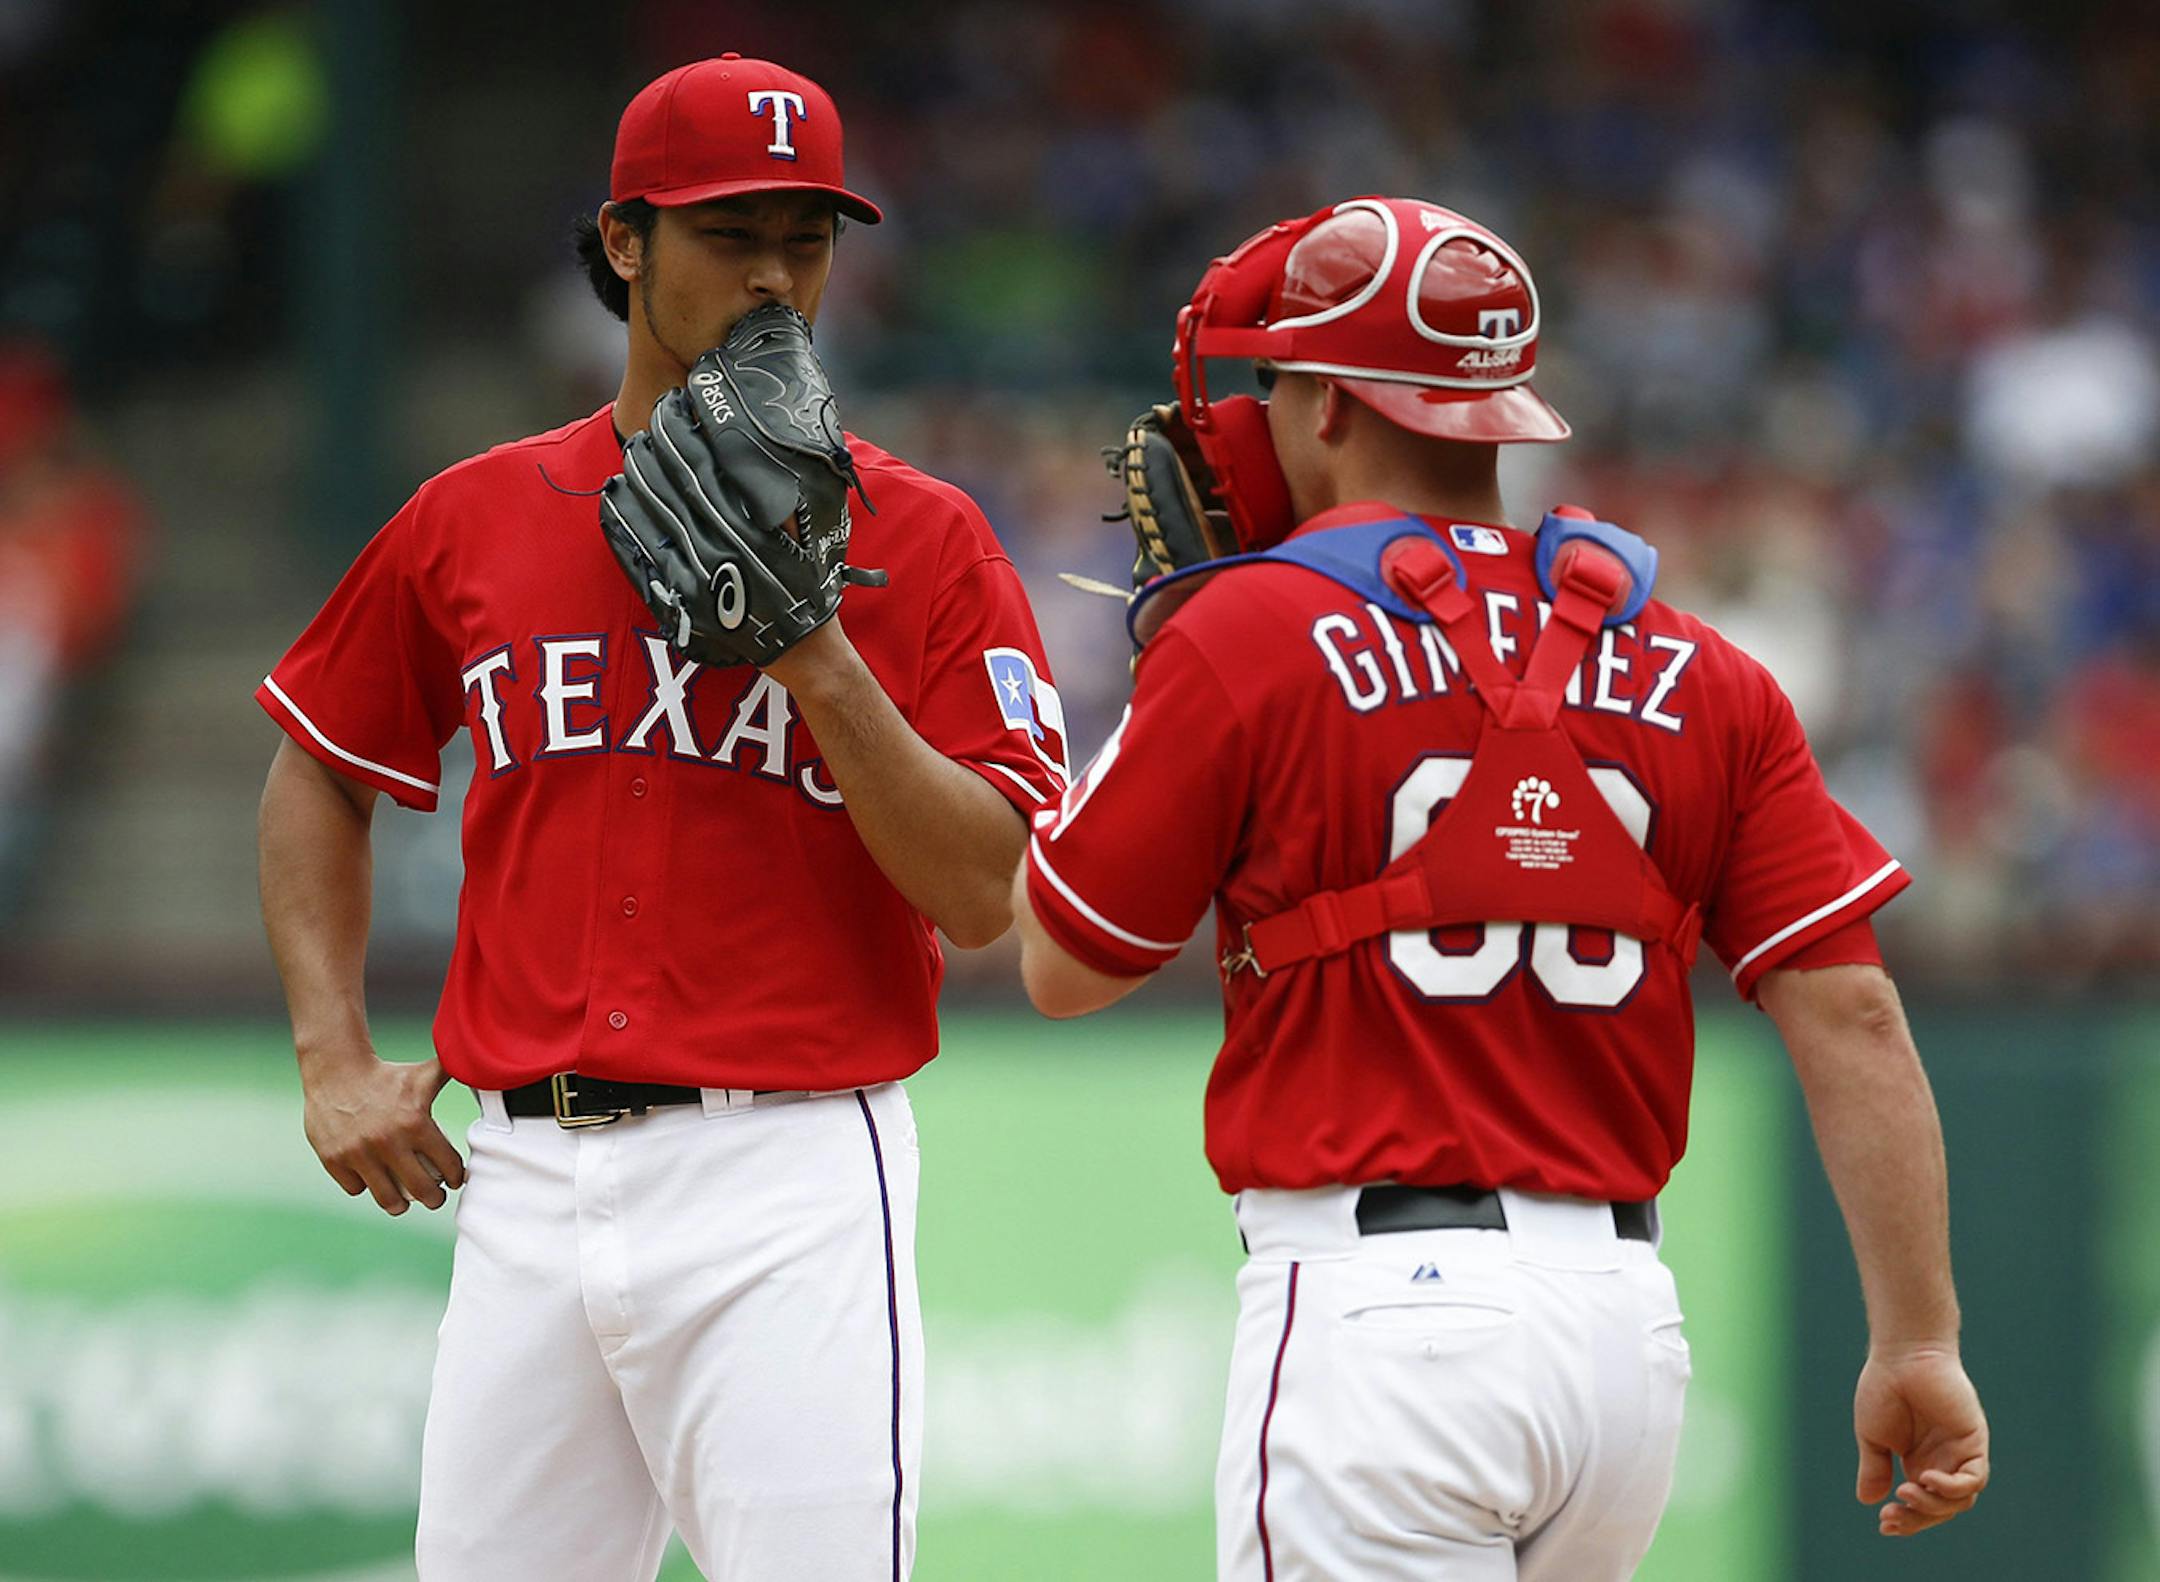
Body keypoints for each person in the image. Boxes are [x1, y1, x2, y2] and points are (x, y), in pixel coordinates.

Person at [1009, 196, 1988, 1579]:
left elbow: (1066, 960)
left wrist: (1176, 642)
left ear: (1336, 405)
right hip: (1622, 1340)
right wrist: (1920, 1337)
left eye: (1280, 379)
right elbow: (1859, 1022)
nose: (1262, 413)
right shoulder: (1705, 667)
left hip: (1377, 1321)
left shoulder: (1251, 629)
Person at [256, 55, 1067, 1582]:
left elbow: (984, 892)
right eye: (725, 233)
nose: (772, 275)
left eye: (805, 238)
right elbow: (318, 762)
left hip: (792, 1174)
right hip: (527, 1181)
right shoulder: (478, 516)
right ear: (623, 242)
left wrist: (817, 653)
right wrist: (331, 1055)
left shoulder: (927, 538)